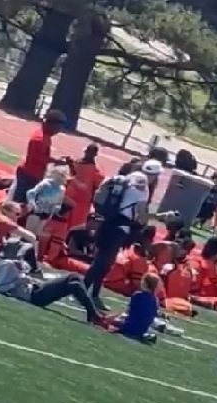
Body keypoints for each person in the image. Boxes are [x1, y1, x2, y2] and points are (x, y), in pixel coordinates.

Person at [85, 171, 150, 311]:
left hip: (107, 223)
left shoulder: (123, 183)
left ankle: (91, 293)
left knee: (100, 260)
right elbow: (142, 216)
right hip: (120, 229)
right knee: (103, 262)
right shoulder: (142, 191)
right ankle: (85, 291)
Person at [0, 258, 107, 326]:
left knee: (74, 278)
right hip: (34, 296)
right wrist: (19, 280)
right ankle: (94, 315)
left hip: (37, 288)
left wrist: (22, 269)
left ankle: (93, 314)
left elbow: (26, 267)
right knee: (74, 284)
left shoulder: (10, 262)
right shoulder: (5, 266)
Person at [9, 110, 68, 203]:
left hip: (33, 174)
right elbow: (34, 158)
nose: (59, 130)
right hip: (28, 175)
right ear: (51, 124)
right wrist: (55, 161)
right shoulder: (39, 139)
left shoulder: (46, 136)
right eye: (58, 127)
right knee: (18, 203)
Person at [107, 273, 162, 340]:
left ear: (145, 283)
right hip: (142, 330)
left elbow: (128, 312)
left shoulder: (137, 295)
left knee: (108, 319)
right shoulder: (156, 300)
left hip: (129, 326)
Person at [64, 143, 104, 230]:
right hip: (69, 197)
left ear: (94, 155)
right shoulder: (78, 162)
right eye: (87, 151)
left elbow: (96, 188)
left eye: (90, 152)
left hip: (82, 203)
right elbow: (73, 173)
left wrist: (92, 199)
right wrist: (70, 164)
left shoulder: (96, 172)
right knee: (63, 219)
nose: (87, 154)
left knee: (75, 225)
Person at [25, 164, 69, 235]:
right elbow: (31, 192)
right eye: (61, 175)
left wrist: (56, 208)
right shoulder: (45, 183)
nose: (63, 178)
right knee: (28, 232)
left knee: (37, 233)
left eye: (64, 176)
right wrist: (32, 203)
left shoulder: (62, 189)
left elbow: (59, 202)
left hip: (47, 214)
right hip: (37, 211)